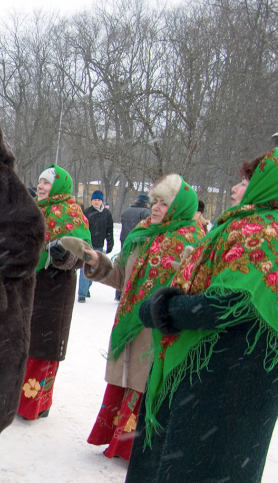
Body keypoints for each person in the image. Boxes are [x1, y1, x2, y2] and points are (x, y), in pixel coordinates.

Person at [124, 149, 278, 483]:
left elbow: (232, 300)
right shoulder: (245, 227)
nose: (233, 188)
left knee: (210, 456)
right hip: (218, 364)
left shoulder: (263, 231)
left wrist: (168, 309)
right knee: (196, 452)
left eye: (245, 181)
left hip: (232, 368)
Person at [81, 175, 204, 460]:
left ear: (180, 206)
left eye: (165, 203)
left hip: (159, 331)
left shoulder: (195, 241)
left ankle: (136, 449)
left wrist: (187, 272)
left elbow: (199, 290)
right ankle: (116, 440)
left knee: (146, 383)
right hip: (129, 321)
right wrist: (96, 262)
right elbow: (121, 273)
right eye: (155, 202)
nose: (157, 208)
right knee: (126, 378)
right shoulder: (143, 233)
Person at [18, 165, 89, 420]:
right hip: (27, 287)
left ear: (59, 186)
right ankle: (17, 399)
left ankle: (35, 404)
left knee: (42, 349)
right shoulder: (33, 210)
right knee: (22, 345)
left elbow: (83, 256)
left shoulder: (72, 214)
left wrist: (65, 256)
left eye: (47, 183)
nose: (41, 186)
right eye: (40, 181)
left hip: (54, 291)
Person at [78, 190, 113, 303]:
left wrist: (110, 243)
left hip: (99, 245)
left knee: (94, 269)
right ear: (91, 200)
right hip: (88, 245)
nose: (96, 202)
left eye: (98, 200)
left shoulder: (107, 214)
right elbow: (82, 228)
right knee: (85, 268)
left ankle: (87, 288)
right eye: (94, 200)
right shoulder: (87, 212)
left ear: (101, 201)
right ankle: (81, 294)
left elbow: (109, 230)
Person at [117, 193, 152, 300]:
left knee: (122, 264)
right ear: (147, 203)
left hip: (126, 240)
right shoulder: (146, 212)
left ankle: (118, 292)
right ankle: (129, 291)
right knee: (133, 267)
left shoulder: (126, 211)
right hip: (138, 241)